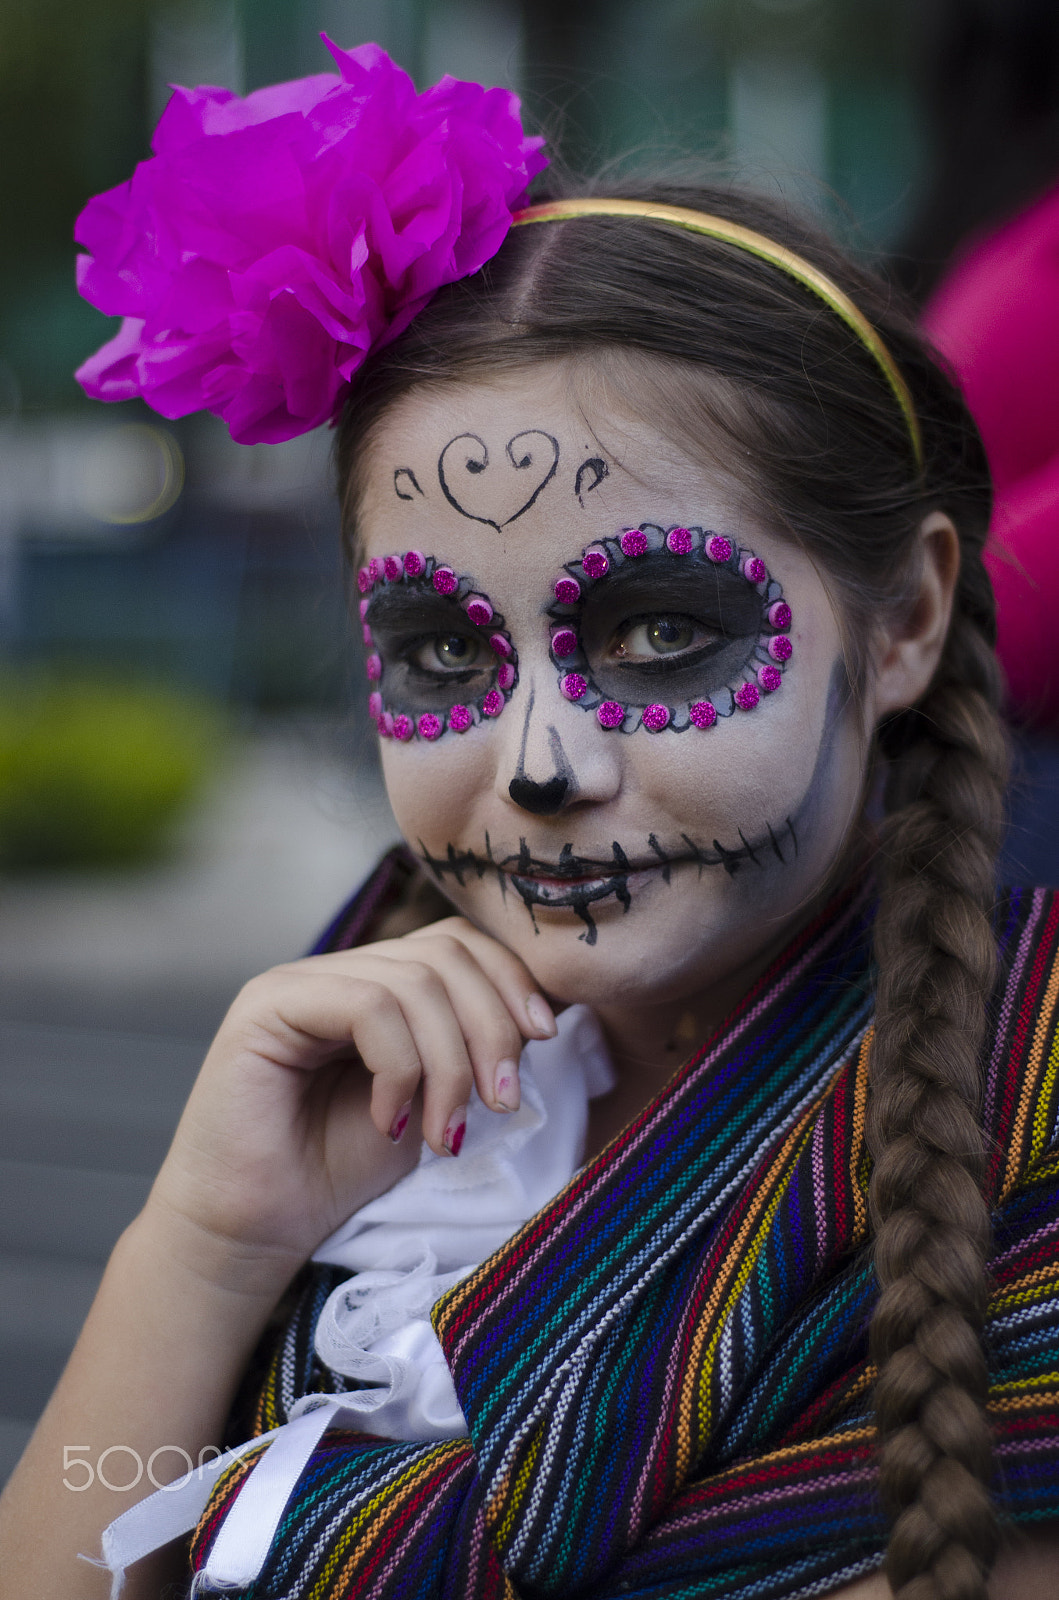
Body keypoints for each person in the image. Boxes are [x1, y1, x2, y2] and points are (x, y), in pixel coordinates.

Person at [1, 41, 1059, 1600]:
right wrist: (209, 1239)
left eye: (657, 633)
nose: (544, 761)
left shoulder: (1022, 1133)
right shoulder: (364, 1060)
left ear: (901, 617)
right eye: (444, 653)